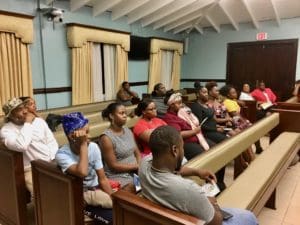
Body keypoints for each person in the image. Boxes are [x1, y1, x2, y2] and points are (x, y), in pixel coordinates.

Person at [139, 125, 258, 225]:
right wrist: (212, 203)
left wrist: (196, 172)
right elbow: (216, 221)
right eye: (182, 147)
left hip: (167, 215)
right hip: (198, 220)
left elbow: (173, 168)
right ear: (174, 150)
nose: (183, 150)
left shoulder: (144, 164)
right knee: (249, 217)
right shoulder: (188, 188)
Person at [0, 97, 58, 195]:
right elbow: (22, 146)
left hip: (50, 162)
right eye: (19, 110)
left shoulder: (39, 122)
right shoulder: (6, 130)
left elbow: (51, 142)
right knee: (44, 194)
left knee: (66, 185)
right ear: (10, 115)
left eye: (24, 108)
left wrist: (52, 158)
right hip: (30, 169)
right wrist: (27, 123)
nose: (25, 112)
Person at [55, 112, 112, 208]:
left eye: (89, 131)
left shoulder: (93, 147)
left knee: (117, 201)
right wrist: (83, 144)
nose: (89, 136)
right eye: (86, 133)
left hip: (95, 188)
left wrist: (113, 197)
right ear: (72, 136)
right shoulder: (62, 154)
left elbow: (102, 179)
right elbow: (82, 172)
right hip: (79, 191)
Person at [162, 92, 215, 160]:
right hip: (186, 143)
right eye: (179, 103)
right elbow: (178, 134)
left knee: (216, 149)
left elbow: (195, 121)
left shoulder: (182, 112)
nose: (182, 105)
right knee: (204, 157)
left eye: (182, 102)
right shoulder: (169, 117)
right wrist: (194, 131)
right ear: (172, 105)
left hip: (198, 138)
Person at [99, 103, 141, 187]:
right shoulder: (106, 138)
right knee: (136, 190)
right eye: (121, 113)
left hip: (135, 171)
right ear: (111, 116)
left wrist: (140, 168)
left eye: (125, 113)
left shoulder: (127, 130)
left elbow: (137, 152)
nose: (125, 116)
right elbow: (114, 166)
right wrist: (137, 167)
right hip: (119, 176)